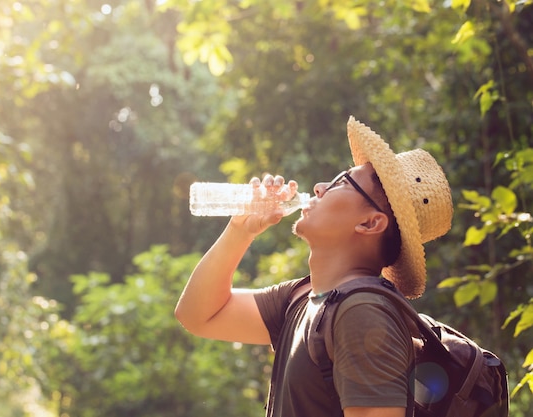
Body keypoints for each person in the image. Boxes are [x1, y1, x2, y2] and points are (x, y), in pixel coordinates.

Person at [175, 116, 453, 417]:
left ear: (370, 223)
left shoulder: (362, 313)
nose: (320, 187)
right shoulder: (303, 299)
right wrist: (241, 229)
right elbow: (197, 315)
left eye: (341, 183)